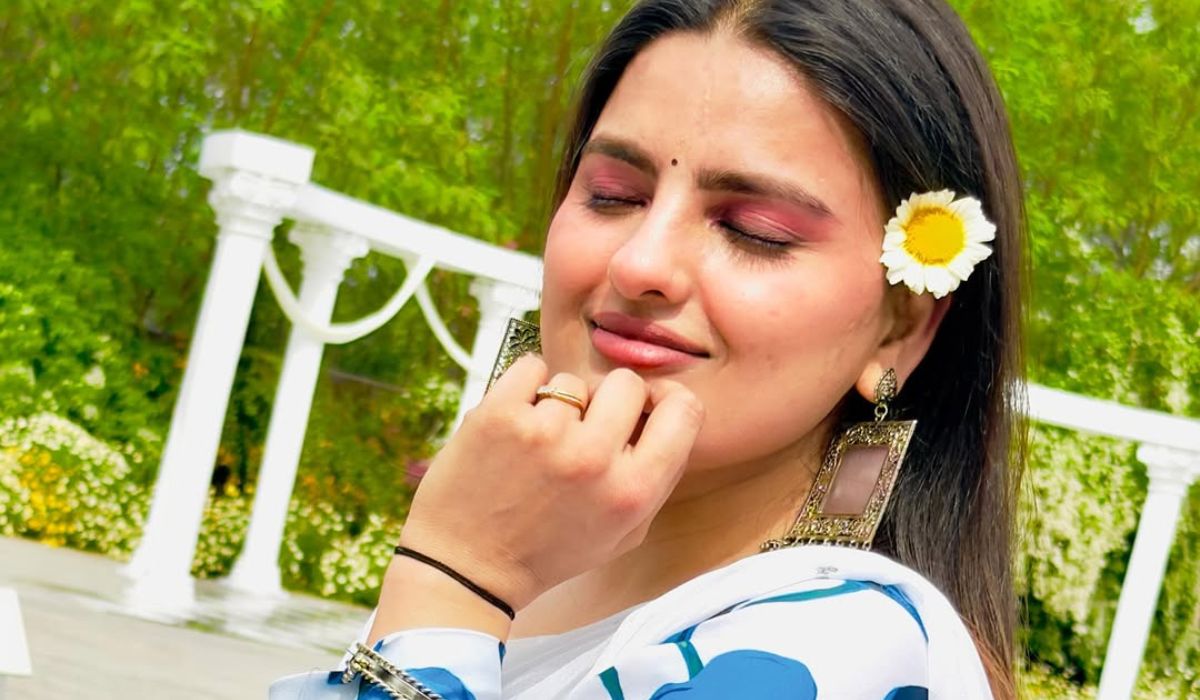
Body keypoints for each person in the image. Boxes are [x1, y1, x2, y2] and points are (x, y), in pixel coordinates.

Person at [272, 0, 1025, 697]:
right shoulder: (524, 580)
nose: (639, 263)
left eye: (754, 230)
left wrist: (452, 579)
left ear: (902, 326)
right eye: (612, 195)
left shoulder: (846, 646)